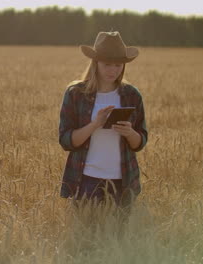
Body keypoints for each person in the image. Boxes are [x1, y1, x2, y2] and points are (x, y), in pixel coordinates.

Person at [58, 31, 148, 218]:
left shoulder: (132, 95)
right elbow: (66, 140)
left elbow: (140, 142)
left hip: (123, 181)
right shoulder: (75, 94)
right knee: (85, 238)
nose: (113, 70)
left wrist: (129, 132)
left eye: (118, 65)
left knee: (118, 240)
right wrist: (94, 124)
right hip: (85, 179)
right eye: (107, 64)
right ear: (95, 63)